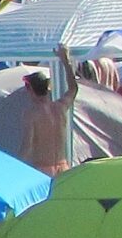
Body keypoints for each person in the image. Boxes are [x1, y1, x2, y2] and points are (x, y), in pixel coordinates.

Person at [18, 48, 79, 176]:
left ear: (30, 90)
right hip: (63, 167)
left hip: (43, 169)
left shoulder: (32, 114)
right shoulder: (61, 107)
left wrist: (15, 165)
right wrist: (66, 61)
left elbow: (27, 146)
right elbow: (73, 88)